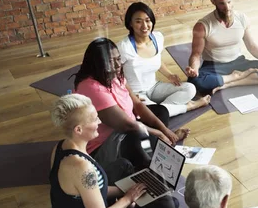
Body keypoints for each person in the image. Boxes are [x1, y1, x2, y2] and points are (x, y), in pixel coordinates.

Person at [49, 94, 178, 208]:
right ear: (78, 129)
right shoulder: (82, 168)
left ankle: (131, 207)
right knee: (168, 206)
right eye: (94, 119)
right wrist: (127, 198)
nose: (99, 122)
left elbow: (88, 190)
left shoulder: (60, 147)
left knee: (123, 165)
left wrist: (125, 190)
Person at [74, 38, 189, 173]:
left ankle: (158, 146)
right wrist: (158, 132)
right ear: (97, 63)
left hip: (128, 129)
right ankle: (150, 163)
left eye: (118, 59)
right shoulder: (91, 88)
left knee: (160, 111)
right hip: (104, 146)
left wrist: (164, 130)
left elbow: (137, 104)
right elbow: (127, 125)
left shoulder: (115, 76)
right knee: (138, 137)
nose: (118, 65)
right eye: (110, 61)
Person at [185, 0, 258, 95]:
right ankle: (235, 76)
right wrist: (194, 69)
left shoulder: (242, 18)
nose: (227, 8)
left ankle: (230, 82)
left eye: (229, 2)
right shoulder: (203, 25)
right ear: (213, 2)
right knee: (195, 82)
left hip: (238, 62)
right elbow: (196, 54)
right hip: (214, 66)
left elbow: (252, 46)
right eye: (222, 3)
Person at [118, 2, 211, 117]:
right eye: (138, 21)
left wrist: (170, 75)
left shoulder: (157, 37)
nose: (144, 26)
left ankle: (161, 111)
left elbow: (157, 60)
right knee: (149, 113)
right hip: (137, 93)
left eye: (147, 20)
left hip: (155, 87)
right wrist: (130, 96)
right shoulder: (124, 47)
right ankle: (189, 106)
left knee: (190, 88)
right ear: (130, 23)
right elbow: (115, 76)